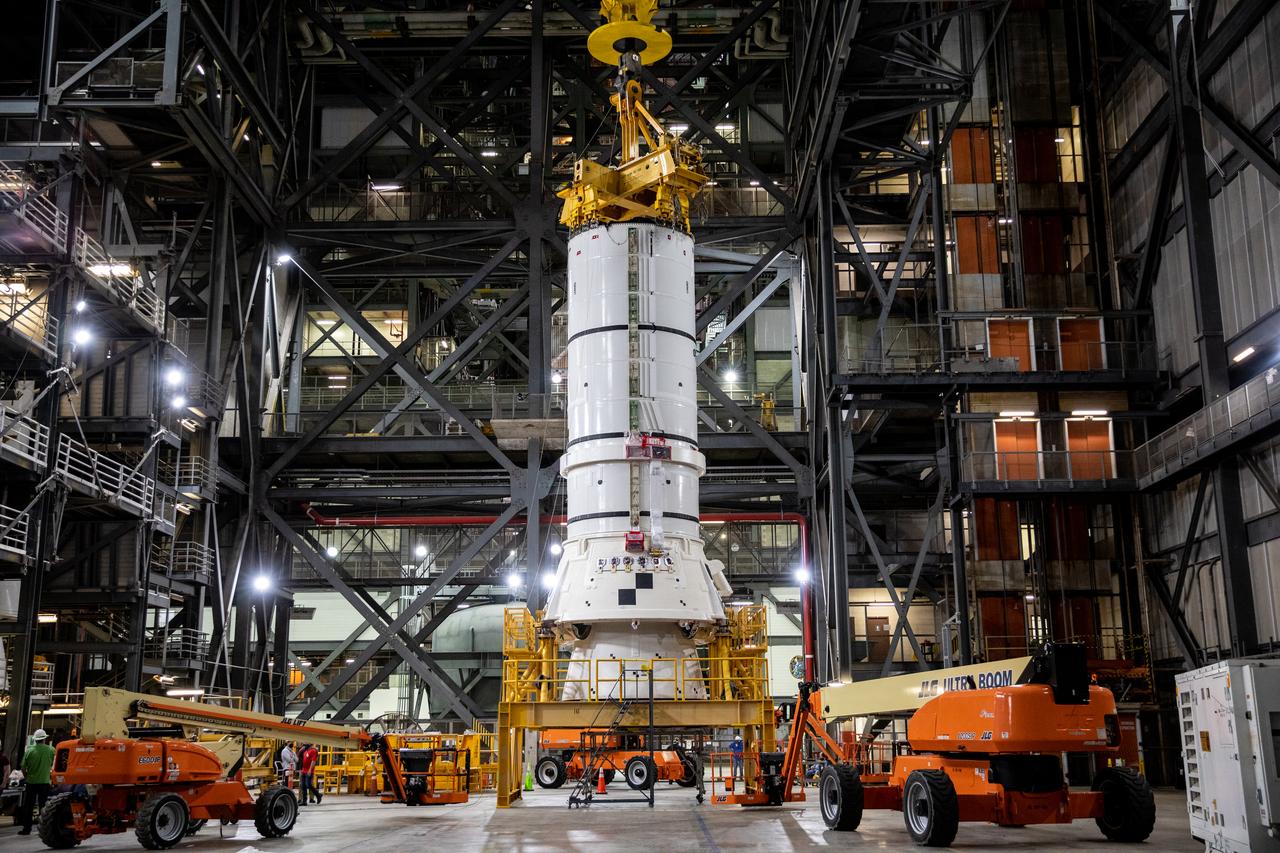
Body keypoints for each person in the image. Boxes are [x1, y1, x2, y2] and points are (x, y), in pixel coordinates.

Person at [18, 729, 55, 835]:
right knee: (43, 806)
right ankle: (44, 829)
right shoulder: (51, 750)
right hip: (44, 782)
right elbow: (54, 764)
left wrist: (27, 776)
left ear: (35, 740)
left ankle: (26, 829)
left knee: (28, 806)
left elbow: (23, 768)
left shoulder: (29, 751)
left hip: (31, 782)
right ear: (44, 739)